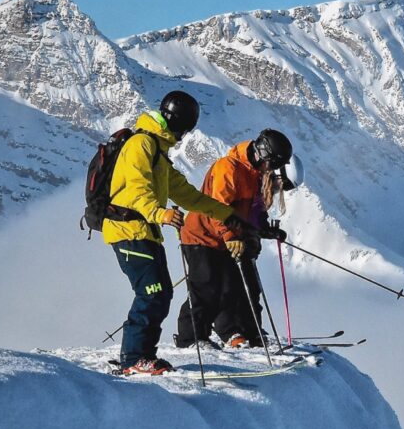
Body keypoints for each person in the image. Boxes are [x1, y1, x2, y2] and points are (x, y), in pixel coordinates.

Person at [104, 91, 237, 375]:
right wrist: (160, 214)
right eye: (185, 129)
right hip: (128, 229)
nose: (184, 135)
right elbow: (137, 191)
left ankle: (141, 356)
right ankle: (133, 359)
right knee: (152, 292)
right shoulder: (141, 144)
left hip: (144, 231)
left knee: (160, 292)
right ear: (178, 124)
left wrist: (226, 214)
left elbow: (186, 194)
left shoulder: (157, 151)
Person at [175, 129, 292, 349]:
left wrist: (265, 229)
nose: (270, 169)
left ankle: (232, 332)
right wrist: (229, 236)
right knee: (206, 287)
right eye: (270, 163)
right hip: (201, 236)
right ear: (261, 153)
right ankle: (190, 338)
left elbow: (252, 210)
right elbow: (217, 207)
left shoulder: (254, 172)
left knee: (231, 287)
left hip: (226, 239)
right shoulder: (228, 168)